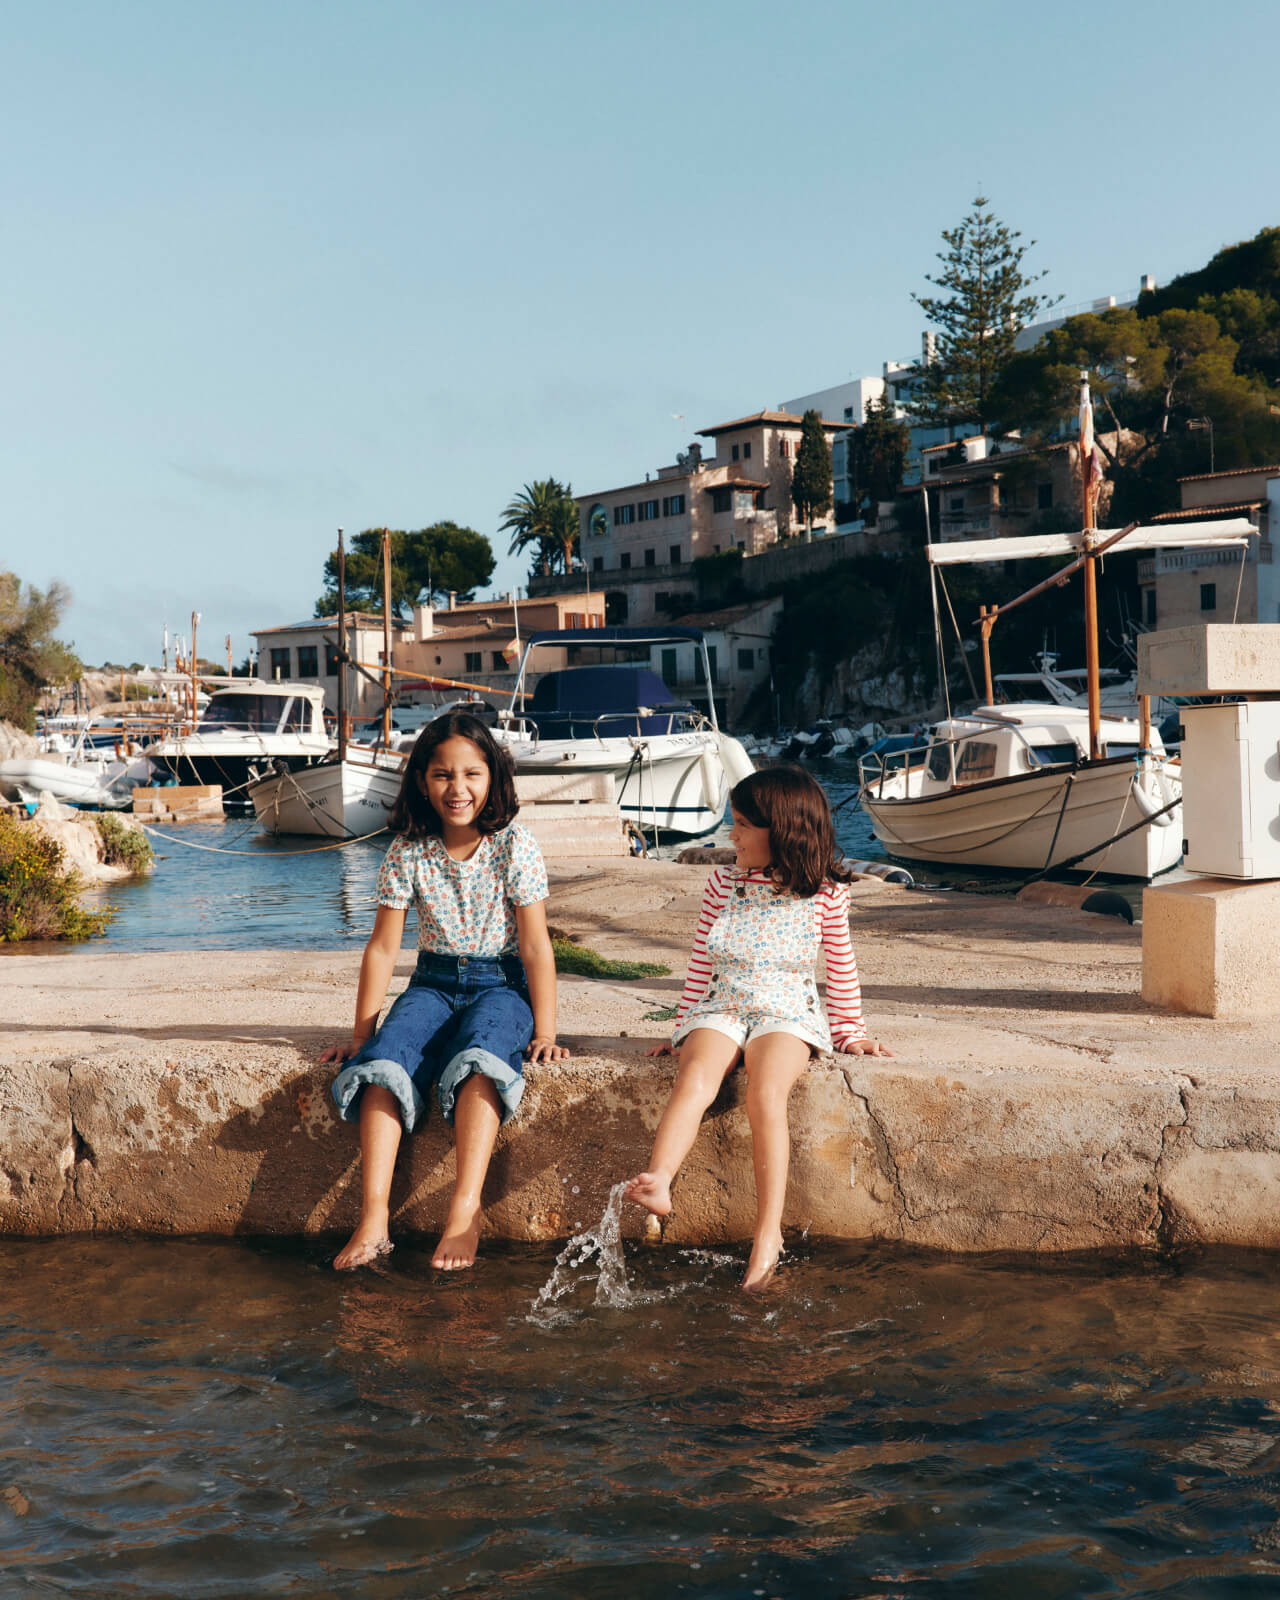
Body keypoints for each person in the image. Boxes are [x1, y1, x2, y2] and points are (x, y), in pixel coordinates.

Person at [625, 765, 892, 1291]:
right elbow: (701, 962)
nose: (733, 835)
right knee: (696, 1075)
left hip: (786, 1013)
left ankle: (767, 1233)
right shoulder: (722, 883)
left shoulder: (825, 894)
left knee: (766, 1093)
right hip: (721, 1005)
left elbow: (840, 967)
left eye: (743, 825)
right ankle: (658, 1179)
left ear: (784, 830)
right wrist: (682, 1027)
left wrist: (850, 1032)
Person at [321, 712, 567, 1272]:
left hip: (500, 986)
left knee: (481, 1060)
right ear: (421, 782)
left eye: (472, 774)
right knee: (384, 1065)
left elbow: (535, 948)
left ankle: (464, 1211)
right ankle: (375, 1216)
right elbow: (383, 949)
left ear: (493, 779)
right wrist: (362, 1035)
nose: (457, 789)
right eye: (442, 775)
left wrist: (546, 1030)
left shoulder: (514, 846)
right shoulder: (408, 851)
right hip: (430, 983)